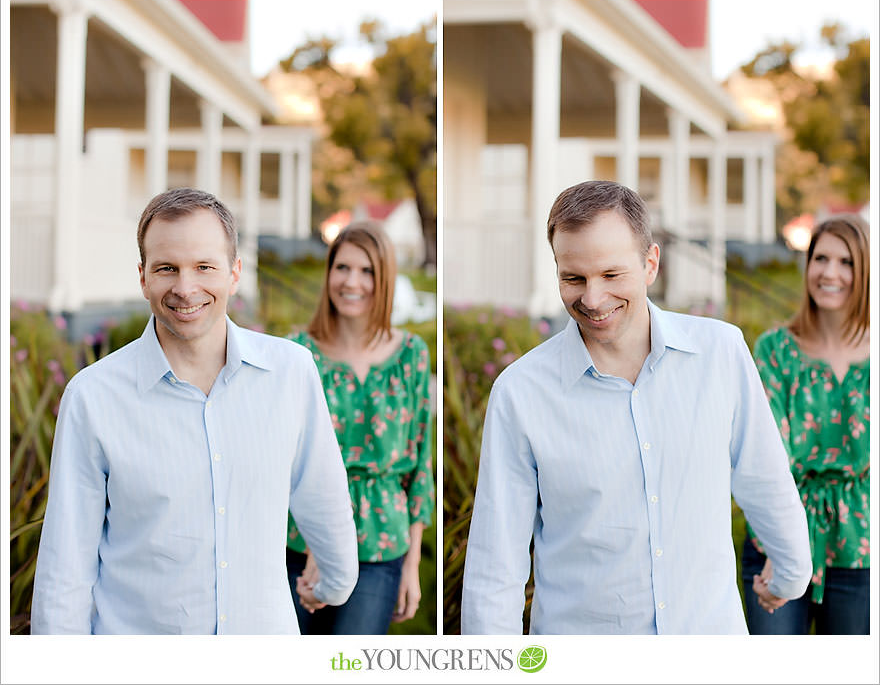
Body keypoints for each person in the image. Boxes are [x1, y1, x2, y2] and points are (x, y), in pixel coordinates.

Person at [461, 180, 812, 634]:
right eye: (573, 278)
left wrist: (790, 572)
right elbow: (497, 563)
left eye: (611, 275)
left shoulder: (721, 352)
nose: (592, 298)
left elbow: (763, 477)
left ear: (650, 264)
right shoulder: (520, 393)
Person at [31, 188, 358, 634]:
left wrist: (336, 583)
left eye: (204, 267)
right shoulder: (93, 397)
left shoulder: (291, 372)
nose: (186, 288)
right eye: (167, 268)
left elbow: (323, 494)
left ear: (235, 272)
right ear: (143, 277)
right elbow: (66, 567)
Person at [285, 220, 434, 634]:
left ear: (384, 278)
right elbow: (284, 462)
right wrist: (322, 542)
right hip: (301, 545)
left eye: (367, 271)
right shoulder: (296, 354)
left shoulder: (410, 355)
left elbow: (420, 463)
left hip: (380, 542)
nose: (352, 282)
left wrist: (411, 566)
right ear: (328, 273)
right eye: (342, 268)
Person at [743, 215, 870, 634]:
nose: (830, 273)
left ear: (865, 269)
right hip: (776, 544)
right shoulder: (776, 351)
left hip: (861, 547)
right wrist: (783, 547)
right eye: (821, 258)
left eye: (846, 262)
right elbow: (764, 457)